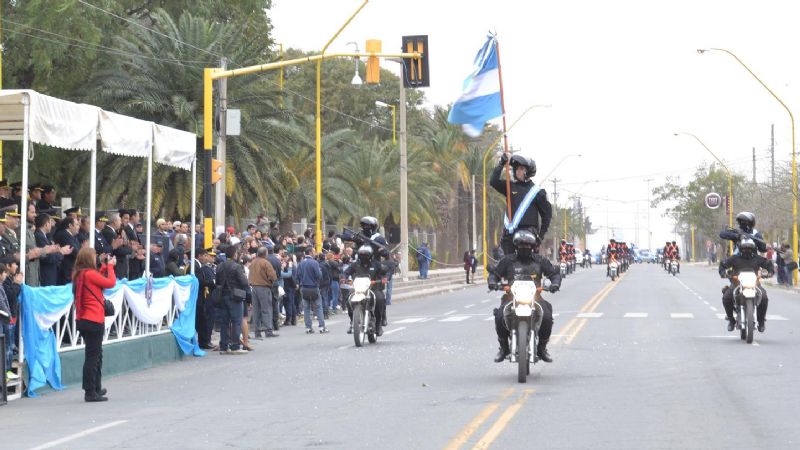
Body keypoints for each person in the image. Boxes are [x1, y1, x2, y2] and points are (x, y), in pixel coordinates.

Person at [489, 230, 560, 363]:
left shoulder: (540, 261)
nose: (524, 248)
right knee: (499, 316)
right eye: (521, 245)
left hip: (535, 298)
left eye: (527, 246)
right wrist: (493, 282)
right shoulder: (507, 261)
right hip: (511, 297)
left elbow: (554, 274)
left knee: (547, 317)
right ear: (516, 246)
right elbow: (495, 273)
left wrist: (555, 283)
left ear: (533, 247)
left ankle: (542, 348)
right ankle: (503, 348)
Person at [73, 247, 116, 402]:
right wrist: (110, 266)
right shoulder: (89, 274)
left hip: (84, 319)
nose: (97, 258)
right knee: (93, 356)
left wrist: (104, 266)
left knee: (96, 354)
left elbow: (98, 279)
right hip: (93, 319)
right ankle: (90, 391)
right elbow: (110, 283)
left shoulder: (81, 274)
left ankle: (95, 387)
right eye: (95, 257)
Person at [490, 153, 552, 255]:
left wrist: (540, 237)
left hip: (530, 234)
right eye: (517, 169)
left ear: (528, 171)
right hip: (510, 235)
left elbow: (547, 216)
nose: (518, 171)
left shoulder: (538, 192)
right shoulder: (510, 186)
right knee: (503, 265)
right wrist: (501, 163)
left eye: (521, 168)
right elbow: (493, 182)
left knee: (535, 266)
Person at [719, 238, 774, 332]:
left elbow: (768, 264)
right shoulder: (734, 258)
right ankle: (731, 320)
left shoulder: (757, 258)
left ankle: (761, 321)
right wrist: (723, 273)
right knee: (726, 297)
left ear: (753, 249)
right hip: (737, 284)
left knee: (764, 297)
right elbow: (723, 264)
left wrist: (769, 272)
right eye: (745, 248)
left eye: (749, 248)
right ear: (741, 248)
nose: (747, 250)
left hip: (754, 284)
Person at [343, 245, 388, 335]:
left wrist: (384, 278)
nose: (364, 257)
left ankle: (378, 324)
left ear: (371, 255)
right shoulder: (355, 264)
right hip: (358, 289)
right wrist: (343, 278)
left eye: (366, 255)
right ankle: (353, 322)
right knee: (348, 300)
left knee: (379, 299)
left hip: (373, 288)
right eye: (362, 255)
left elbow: (384, 271)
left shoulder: (376, 264)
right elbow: (346, 272)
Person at [215, 246, 250, 355]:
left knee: (224, 322)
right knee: (236, 321)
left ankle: (224, 346)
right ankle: (235, 346)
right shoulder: (237, 267)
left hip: (223, 296)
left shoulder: (219, 266)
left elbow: (217, 282)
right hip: (235, 297)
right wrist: (249, 297)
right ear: (235, 254)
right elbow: (244, 282)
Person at [296, 247, 328, 334]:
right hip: (313, 287)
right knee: (318, 307)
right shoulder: (314, 263)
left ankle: (308, 328)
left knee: (306, 308)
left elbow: (297, 275)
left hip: (304, 287)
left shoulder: (301, 263)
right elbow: (318, 275)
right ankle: (322, 327)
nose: (315, 253)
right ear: (310, 252)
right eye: (313, 252)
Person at [249, 247, 278, 338]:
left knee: (256, 310)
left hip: (254, 287)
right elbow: (273, 276)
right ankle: (268, 330)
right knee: (266, 309)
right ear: (265, 254)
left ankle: (257, 331)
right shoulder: (266, 262)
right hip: (264, 287)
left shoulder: (253, 262)